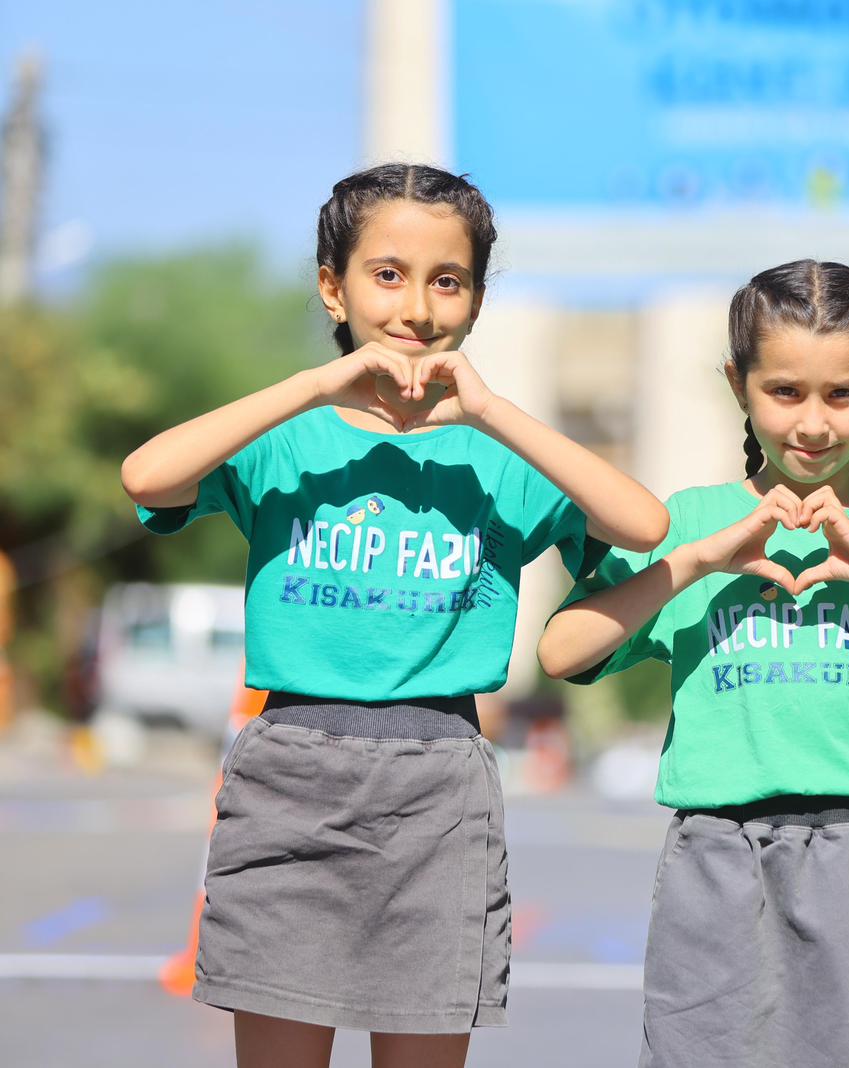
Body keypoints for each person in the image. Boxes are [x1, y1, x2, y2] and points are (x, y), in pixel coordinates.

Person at [120, 163, 668, 1068]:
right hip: (287, 773)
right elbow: (146, 477)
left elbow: (642, 524)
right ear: (332, 287)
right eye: (386, 274)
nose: (416, 307)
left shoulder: (496, 454)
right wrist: (313, 387)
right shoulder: (284, 438)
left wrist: (490, 412)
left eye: (447, 281)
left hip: (440, 784)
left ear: (477, 300)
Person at [539, 259, 849, 1068]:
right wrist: (698, 561)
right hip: (715, 853)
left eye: (842, 394)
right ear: (737, 384)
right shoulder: (693, 524)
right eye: (784, 391)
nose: (813, 423)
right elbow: (561, 651)